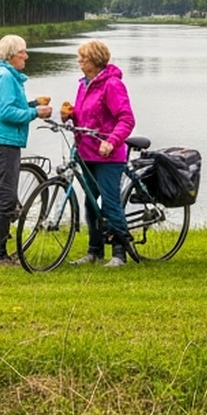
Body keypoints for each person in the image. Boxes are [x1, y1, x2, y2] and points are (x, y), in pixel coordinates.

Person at [64, 39, 135, 266]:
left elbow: (126, 119)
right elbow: (88, 117)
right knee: (90, 203)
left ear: (95, 60)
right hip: (87, 152)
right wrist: (71, 115)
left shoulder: (112, 84)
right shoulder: (84, 84)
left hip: (108, 155)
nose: (79, 62)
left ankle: (119, 253)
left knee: (110, 201)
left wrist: (112, 142)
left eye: (83, 58)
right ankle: (94, 251)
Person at [0, 34, 50, 267]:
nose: (26, 56)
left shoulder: (7, 75)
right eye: (23, 52)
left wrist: (32, 104)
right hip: (3, 141)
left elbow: (10, 106)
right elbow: (6, 113)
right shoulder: (4, 76)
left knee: (5, 195)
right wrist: (35, 113)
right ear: (12, 55)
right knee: (6, 198)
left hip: (4, 140)